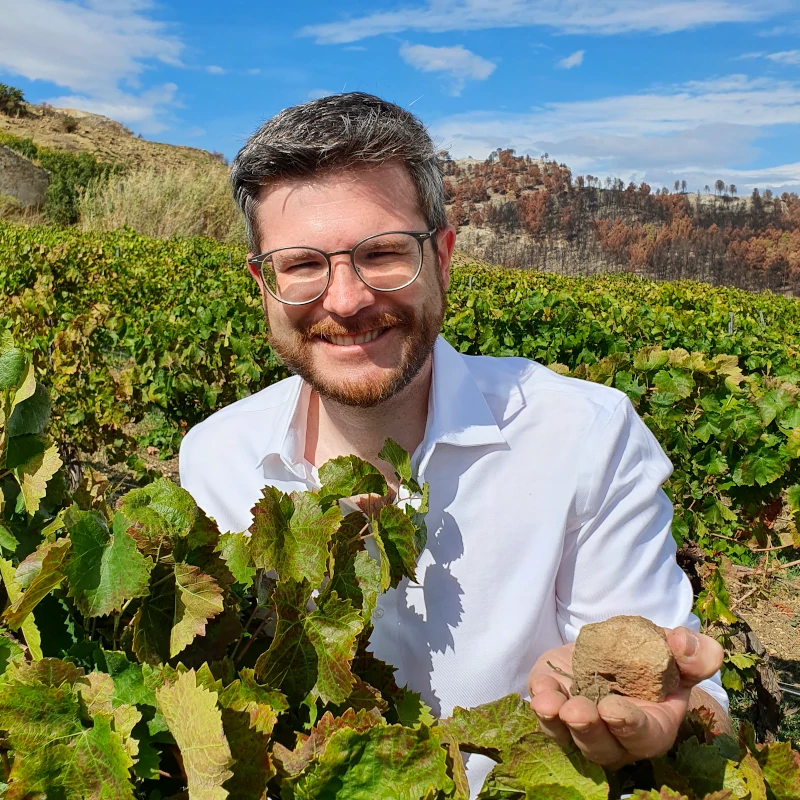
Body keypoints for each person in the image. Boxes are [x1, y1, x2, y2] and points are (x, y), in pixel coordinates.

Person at [179, 92, 728, 795]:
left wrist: (656, 725)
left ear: (441, 257)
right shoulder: (213, 457)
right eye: (303, 265)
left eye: (381, 253)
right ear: (264, 284)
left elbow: (688, 700)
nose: (344, 300)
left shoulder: (585, 435)